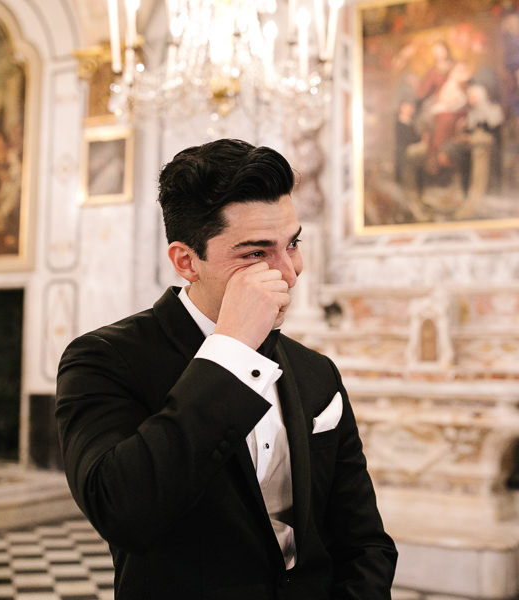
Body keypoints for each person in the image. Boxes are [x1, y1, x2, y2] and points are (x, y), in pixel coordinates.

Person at [56, 138, 398, 599]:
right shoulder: (104, 359)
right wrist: (232, 348)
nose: (289, 272)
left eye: (292, 244)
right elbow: (123, 511)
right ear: (186, 261)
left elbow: (364, 541)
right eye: (256, 253)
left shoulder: (317, 372)